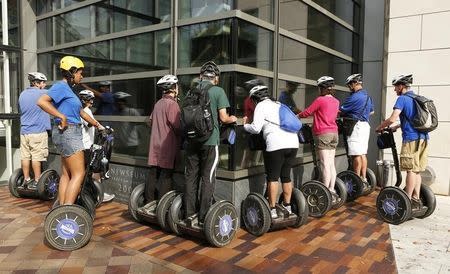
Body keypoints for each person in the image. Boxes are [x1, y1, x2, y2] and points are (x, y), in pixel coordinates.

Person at [37, 55, 104, 205]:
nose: (82, 75)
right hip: (69, 133)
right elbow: (41, 101)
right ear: (71, 72)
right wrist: (61, 116)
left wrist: (97, 125)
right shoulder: (61, 87)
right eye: (80, 72)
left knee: (67, 174)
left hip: (67, 133)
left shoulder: (68, 90)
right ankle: (67, 209)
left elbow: (81, 112)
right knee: (79, 173)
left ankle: (62, 208)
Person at [184, 61, 237, 224]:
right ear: (216, 78)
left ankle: (189, 214)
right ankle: (203, 217)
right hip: (210, 140)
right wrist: (232, 118)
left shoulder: (190, 92)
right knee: (208, 178)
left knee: (191, 177)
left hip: (192, 140)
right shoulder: (218, 91)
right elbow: (223, 117)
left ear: (201, 76)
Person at [243, 85, 299, 219]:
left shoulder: (261, 106)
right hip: (293, 143)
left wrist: (245, 125)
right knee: (286, 176)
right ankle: (288, 206)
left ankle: (272, 209)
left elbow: (256, 128)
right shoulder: (278, 103)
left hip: (276, 145)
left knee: (273, 177)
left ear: (256, 98)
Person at [375, 74, 428, 209]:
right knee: (417, 170)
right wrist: (398, 127)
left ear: (401, 86)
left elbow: (392, 118)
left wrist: (380, 127)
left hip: (411, 139)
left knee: (410, 170)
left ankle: (408, 201)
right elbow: (412, 119)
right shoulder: (417, 98)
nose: (395, 90)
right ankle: (416, 198)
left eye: (396, 87)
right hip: (424, 138)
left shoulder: (403, 99)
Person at [298, 76, 340, 203]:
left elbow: (307, 112)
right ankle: (332, 189)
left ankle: (325, 192)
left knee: (324, 163)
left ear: (322, 88)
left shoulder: (320, 100)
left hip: (323, 133)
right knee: (331, 163)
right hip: (334, 133)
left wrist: (296, 116)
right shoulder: (336, 101)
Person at [144, 75, 181, 205]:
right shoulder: (173, 105)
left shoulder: (158, 103)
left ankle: (148, 202)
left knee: (153, 174)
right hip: (167, 145)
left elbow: (150, 121)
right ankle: (162, 205)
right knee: (166, 175)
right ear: (174, 88)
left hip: (155, 145)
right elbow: (177, 126)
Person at [79, 90, 115, 203]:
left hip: (82, 145)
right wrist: (104, 129)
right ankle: (99, 194)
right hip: (87, 145)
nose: (92, 101)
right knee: (95, 169)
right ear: (87, 100)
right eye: (91, 99)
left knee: (88, 170)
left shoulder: (80, 110)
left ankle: (90, 192)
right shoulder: (86, 111)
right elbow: (91, 123)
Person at [339, 73, 374, 187]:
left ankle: (357, 181)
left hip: (356, 127)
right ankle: (363, 179)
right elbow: (372, 112)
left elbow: (341, 110)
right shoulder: (368, 96)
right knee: (363, 153)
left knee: (356, 155)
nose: (349, 87)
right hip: (365, 126)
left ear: (354, 83)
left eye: (350, 84)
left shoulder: (354, 97)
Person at [18, 72, 51, 186]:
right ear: (37, 83)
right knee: (37, 157)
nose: (45, 84)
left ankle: (26, 179)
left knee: (25, 156)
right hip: (37, 132)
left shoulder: (22, 94)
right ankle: (38, 181)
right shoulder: (43, 93)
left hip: (24, 132)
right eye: (43, 82)